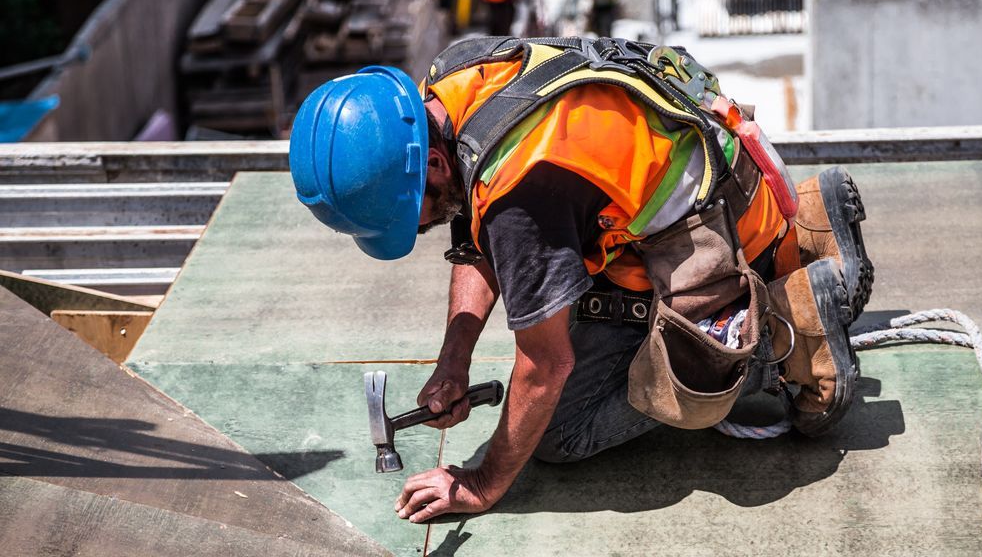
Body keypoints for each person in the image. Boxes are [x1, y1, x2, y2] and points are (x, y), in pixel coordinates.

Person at [288, 36, 873, 524]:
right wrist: (454, 360)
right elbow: (475, 232)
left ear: (434, 164)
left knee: (561, 433)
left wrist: (483, 483)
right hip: (727, 184)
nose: (413, 233)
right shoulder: (455, 80)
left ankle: (784, 329)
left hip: (718, 243)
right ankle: (810, 227)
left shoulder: (523, 194)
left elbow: (546, 366)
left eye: (406, 217)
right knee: (553, 302)